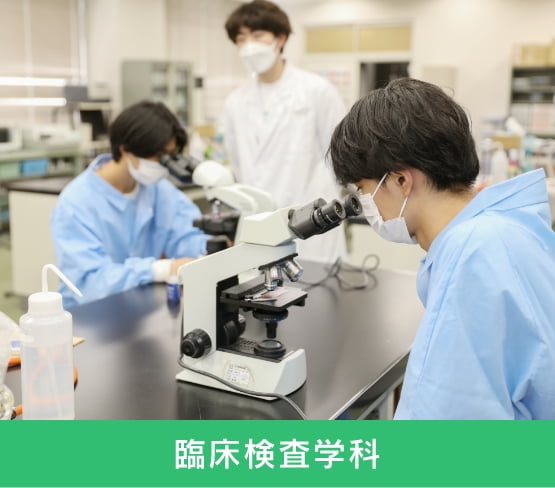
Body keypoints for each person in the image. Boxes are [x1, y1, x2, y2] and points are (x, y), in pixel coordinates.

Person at [328, 78, 555, 420]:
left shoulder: (471, 256)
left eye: (363, 189)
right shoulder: (505, 230)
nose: (364, 202)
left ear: (401, 181)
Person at [51, 101, 209, 308]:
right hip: (89, 314)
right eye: (159, 156)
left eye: (171, 156)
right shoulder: (76, 203)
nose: (165, 165)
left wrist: (213, 247)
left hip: (141, 306)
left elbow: (185, 236)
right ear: (125, 149)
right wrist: (160, 269)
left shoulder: (159, 190)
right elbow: (90, 284)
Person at [223, 0, 347, 263]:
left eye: (257, 35)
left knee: (316, 285)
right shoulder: (235, 102)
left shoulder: (317, 91)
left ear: (280, 39)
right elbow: (238, 164)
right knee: (258, 284)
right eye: (241, 38)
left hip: (311, 221)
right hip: (258, 224)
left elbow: (341, 158)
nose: (249, 45)